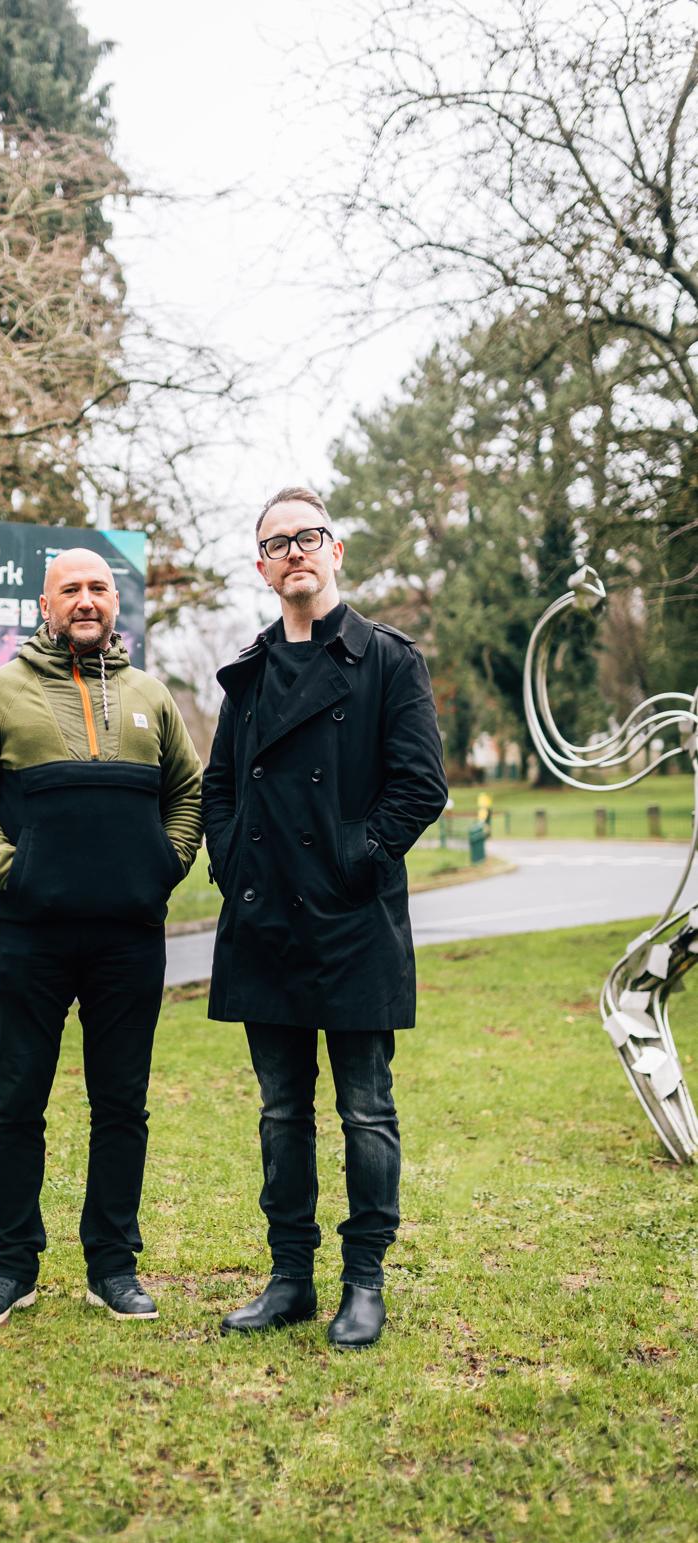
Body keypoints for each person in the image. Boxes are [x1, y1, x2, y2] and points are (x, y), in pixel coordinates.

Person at [202, 488, 448, 1349]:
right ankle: (289, 1279)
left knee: (365, 1110)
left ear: (334, 550)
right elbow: (221, 788)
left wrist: (358, 857)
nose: (294, 551)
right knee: (281, 1114)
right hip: (266, 920)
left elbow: (421, 786)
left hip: (352, 923)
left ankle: (366, 1282)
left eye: (307, 536)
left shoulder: (386, 660)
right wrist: (231, 860)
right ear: (263, 568)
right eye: (277, 543)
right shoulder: (250, 672)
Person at [0, 547, 203, 1329]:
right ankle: (12, 1267)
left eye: (99, 589)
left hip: (129, 938)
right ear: (45, 604)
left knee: (121, 1104)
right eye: (71, 590)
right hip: (29, 936)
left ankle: (112, 1267)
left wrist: (167, 862)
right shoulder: (0, 693)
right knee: (16, 1101)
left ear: (115, 603)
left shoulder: (150, 696)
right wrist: (9, 871)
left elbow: (188, 789)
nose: (86, 601)